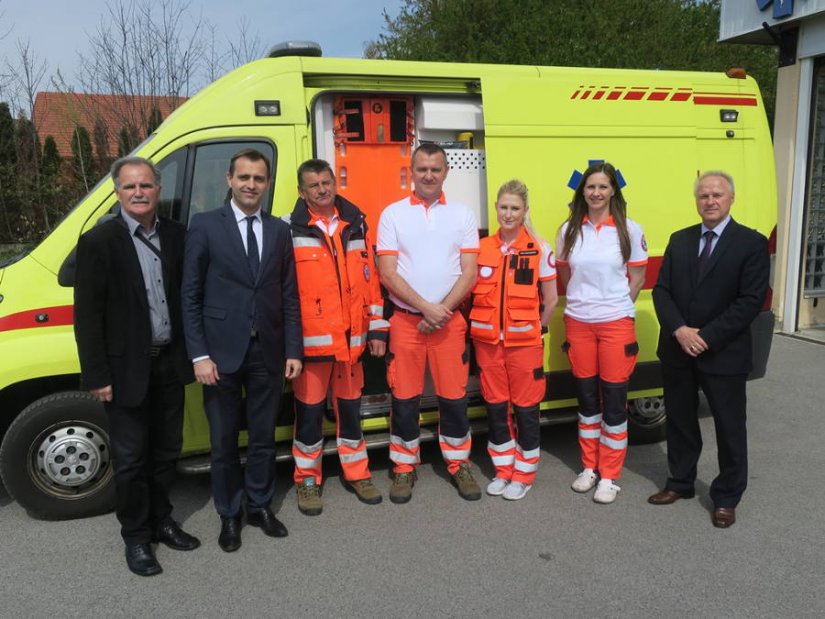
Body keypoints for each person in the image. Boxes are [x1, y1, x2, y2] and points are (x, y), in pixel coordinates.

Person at [74, 156, 199, 577]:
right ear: (117, 192)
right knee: (130, 460)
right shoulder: (98, 242)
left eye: (146, 185)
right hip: (125, 371)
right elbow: (87, 316)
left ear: (158, 189)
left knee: (166, 453)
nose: (139, 193)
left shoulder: (179, 236)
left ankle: (162, 521)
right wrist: (96, 375)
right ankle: (136, 536)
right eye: (130, 187)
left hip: (169, 366)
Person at [182, 148, 302, 552]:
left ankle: (260, 506)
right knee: (223, 442)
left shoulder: (279, 230)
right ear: (230, 180)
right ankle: (229, 515)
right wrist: (199, 355)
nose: (252, 184)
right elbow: (191, 295)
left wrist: (293, 349)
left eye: (259, 178)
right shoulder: (204, 226)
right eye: (244, 177)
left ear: (267, 184)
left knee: (264, 439)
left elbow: (288, 296)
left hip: (267, 353)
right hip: (219, 357)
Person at [649, 171, 769, 529]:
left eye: (717, 195)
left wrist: (707, 337)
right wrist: (681, 331)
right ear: (696, 201)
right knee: (681, 421)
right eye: (704, 195)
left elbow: (749, 301)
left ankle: (727, 496)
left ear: (731, 199)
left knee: (730, 428)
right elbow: (662, 291)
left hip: (724, 352)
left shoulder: (751, 243)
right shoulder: (680, 239)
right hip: (678, 349)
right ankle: (681, 482)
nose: (710, 201)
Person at [376, 142, 480, 503]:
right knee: (404, 399)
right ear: (411, 170)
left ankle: (458, 464)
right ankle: (404, 468)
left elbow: (470, 272)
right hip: (406, 323)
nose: (429, 175)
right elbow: (386, 273)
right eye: (422, 169)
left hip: (449, 323)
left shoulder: (463, 215)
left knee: (454, 398)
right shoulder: (392, 215)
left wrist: (441, 311)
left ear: (446, 171)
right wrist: (424, 307)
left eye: (436, 169)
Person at [286, 159, 389, 515]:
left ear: (334, 183)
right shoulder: (290, 230)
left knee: (351, 412)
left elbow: (371, 279)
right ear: (302, 192)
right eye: (313, 185)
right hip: (312, 347)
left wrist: (377, 328)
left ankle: (357, 473)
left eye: (326, 182)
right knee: (310, 416)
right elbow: (285, 294)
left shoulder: (357, 224)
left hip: (352, 345)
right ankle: (308, 480)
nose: (322, 189)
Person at [556, 161, 648, 504]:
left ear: (613, 192)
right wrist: (585, 302)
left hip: (615, 324)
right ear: (583, 191)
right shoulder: (568, 230)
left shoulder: (630, 230)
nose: (596, 193)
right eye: (591, 187)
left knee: (613, 400)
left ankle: (609, 475)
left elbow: (637, 278)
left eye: (603, 187)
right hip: (578, 322)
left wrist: (615, 305)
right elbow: (565, 276)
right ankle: (589, 467)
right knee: (586, 399)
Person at [469, 180, 558, 501]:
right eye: (503, 207)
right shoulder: (482, 248)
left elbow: (551, 299)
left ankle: (524, 474)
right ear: (496, 208)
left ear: (525, 212)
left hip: (524, 346)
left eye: (515, 208)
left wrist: (537, 328)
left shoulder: (539, 248)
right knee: (495, 409)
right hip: (488, 344)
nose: (508, 214)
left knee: (526, 411)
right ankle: (503, 469)